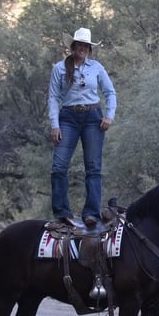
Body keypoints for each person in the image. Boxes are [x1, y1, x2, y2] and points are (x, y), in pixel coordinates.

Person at [48, 27, 117, 228]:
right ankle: (61, 213)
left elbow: (110, 92)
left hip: (93, 117)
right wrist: (55, 124)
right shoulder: (59, 69)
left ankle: (91, 214)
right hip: (67, 117)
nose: (82, 48)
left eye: (86, 45)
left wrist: (109, 116)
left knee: (93, 167)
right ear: (73, 46)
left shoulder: (96, 68)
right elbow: (53, 97)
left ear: (89, 48)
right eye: (79, 45)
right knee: (59, 166)